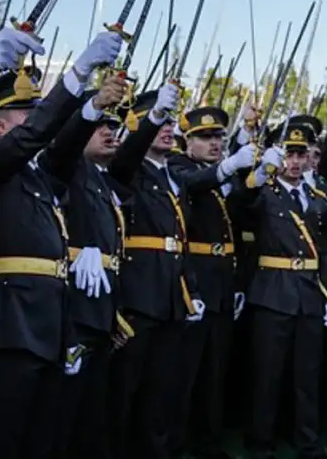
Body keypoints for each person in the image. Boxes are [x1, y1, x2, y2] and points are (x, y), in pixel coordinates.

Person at [0, 28, 121, 458]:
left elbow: (62, 147)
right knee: (1, 435)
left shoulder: (36, 175)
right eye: (24, 114)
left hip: (49, 319)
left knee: (40, 436)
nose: (34, 121)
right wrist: (75, 74)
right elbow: (30, 139)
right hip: (7, 321)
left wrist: (90, 105)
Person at [107, 80, 204, 459]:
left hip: (170, 295)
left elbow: (181, 241)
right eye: (155, 121)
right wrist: (153, 117)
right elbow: (127, 156)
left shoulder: (171, 177)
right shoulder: (128, 168)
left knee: (162, 390)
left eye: (168, 122)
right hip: (138, 294)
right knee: (126, 389)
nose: (166, 128)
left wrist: (190, 289)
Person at [239, 123, 327, 459]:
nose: (294, 162)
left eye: (300, 154)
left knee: (307, 375)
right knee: (267, 375)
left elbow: (323, 249)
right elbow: (241, 203)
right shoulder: (264, 192)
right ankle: (260, 443)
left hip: (309, 294)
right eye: (288, 154)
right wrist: (259, 169)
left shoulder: (316, 197)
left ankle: (308, 442)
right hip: (273, 292)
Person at [169, 105, 257, 459]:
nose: (214, 143)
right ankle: (176, 441)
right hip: (195, 278)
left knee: (214, 371)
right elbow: (192, 185)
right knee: (184, 371)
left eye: (219, 136)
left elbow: (241, 219)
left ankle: (209, 441)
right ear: (188, 141)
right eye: (205, 137)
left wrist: (252, 178)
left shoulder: (226, 176)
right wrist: (229, 167)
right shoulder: (179, 167)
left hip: (222, 279)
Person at [50, 75, 131, 459]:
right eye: (100, 126)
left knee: (90, 409)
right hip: (73, 307)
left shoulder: (102, 180)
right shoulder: (68, 167)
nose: (109, 132)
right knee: (64, 409)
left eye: (113, 127)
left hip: (100, 305)